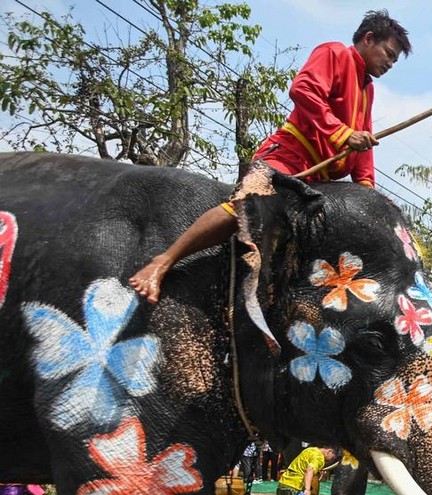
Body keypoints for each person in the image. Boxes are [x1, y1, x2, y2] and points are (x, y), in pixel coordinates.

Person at [130, 11, 413, 303]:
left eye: (394, 60)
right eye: (388, 54)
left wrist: (368, 194)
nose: (390, 64)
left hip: (319, 182)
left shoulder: (368, 90)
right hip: (290, 158)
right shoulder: (335, 53)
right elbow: (303, 90)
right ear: (368, 39)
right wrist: (341, 133)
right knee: (248, 205)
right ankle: (163, 261)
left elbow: (362, 144)